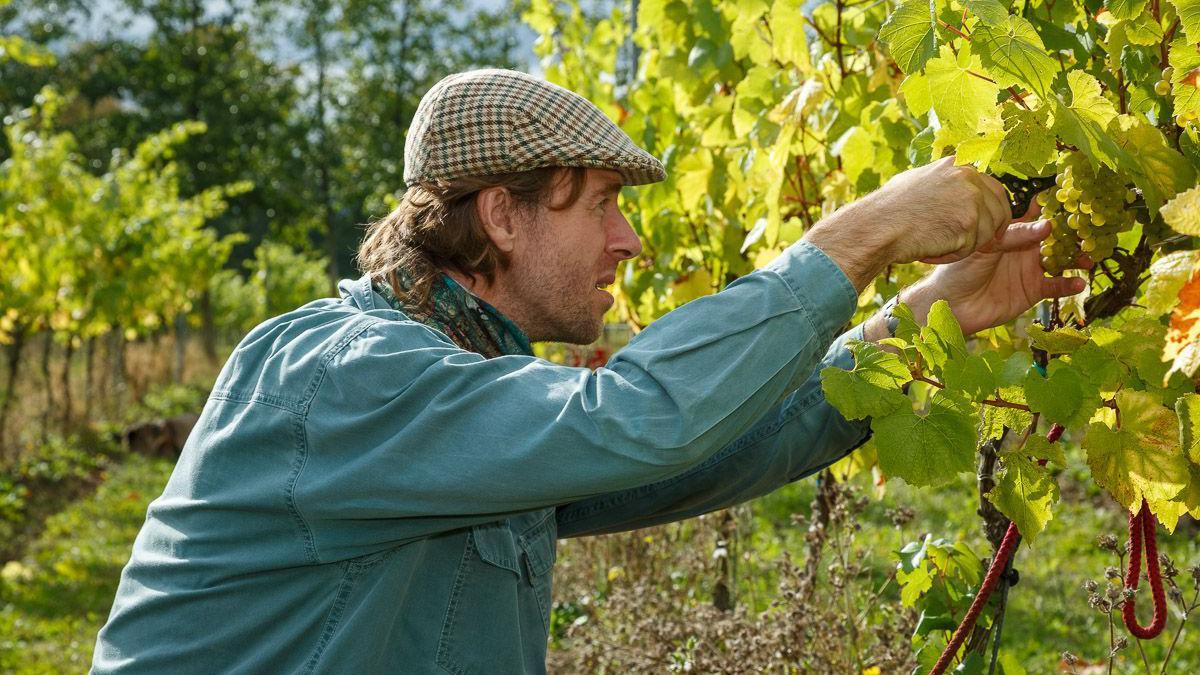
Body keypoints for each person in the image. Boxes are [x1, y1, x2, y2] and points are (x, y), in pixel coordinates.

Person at [91, 69, 1086, 674]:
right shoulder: (347, 375)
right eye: (602, 202)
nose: (631, 240)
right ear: (502, 213)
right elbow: (646, 417)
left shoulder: (466, 386)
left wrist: (929, 316)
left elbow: (712, 454)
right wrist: (861, 237)